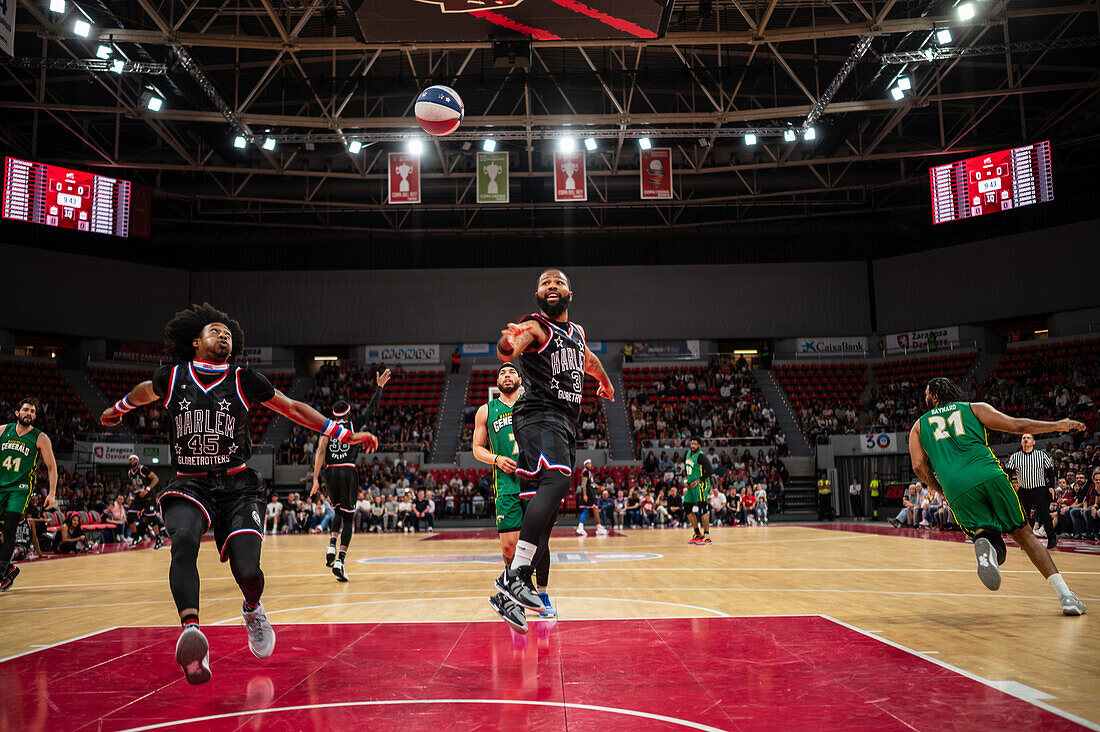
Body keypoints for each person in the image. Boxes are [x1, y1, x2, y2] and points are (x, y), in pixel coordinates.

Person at [99, 303, 378, 684]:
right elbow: (144, 392)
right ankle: (192, 632)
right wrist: (119, 408)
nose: (224, 336)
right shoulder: (173, 376)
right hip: (189, 482)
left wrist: (344, 433)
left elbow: (293, 408)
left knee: (248, 572)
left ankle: (252, 608)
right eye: (215, 331)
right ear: (196, 342)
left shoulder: (245, 379)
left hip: (237, 485)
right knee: (183, 540)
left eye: (228, 333)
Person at [489, 269, 614, 623]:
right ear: (537, 295)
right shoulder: (536, 325)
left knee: (544, 522)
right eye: (545, 284)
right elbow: (510, 348)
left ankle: (507, 593)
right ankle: (514, 577)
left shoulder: (576, 333)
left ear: (570, 293)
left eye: (558, 282)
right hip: (540, 415)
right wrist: (508, 344)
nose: (552, 287)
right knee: (559, 481)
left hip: (561, 423)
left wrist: (604, 381)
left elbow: (588, 360)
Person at [908, 377, 1086, 616]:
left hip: (956, 488)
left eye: (927, 394)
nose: (925, 398)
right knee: (1025, 535)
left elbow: (918, 467)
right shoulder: (974, 408)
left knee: (985, 536)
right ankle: (1066, 597)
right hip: (987, 473)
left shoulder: (918, 427)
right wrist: (1058, 424)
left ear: (937, 397)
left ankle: (986, 546)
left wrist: (941, 490)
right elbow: (1018, 426)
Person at [475, 365, 555, 632]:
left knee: (538, 542)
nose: (507, 375)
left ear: (520, 379)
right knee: (510, 548)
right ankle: (516, 596)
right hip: (506, 485)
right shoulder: (486, 410)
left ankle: (541, 593)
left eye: (511, 372)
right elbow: (476, 449)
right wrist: (496, 459)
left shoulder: (532, 403)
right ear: (497, 381)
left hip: (534, 480)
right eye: (502, 373)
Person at [312, 370, 389, 582]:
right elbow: (371, 409)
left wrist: (315, 479)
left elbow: (319, 451)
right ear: (348, 413)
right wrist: (379, 387)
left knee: (337, 510)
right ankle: (340, 560)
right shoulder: (352, 426)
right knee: (348, 518)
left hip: (330, 471)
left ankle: (331, 546)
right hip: (347, 470)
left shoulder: (327, 428)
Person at [0, 397, 58, 592]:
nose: (29, 414)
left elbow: (51, 466)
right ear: (17, 413)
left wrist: (52, 493)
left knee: (9, 528)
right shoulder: (2, 430)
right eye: (26, 410)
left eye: (33, 411)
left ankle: (0, 575)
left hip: (21, 489)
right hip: (1, 486)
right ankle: (9, 568)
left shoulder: (40, 437)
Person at [1005, 434, 1057, 549]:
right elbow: (1008, 471)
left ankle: (1052, 538)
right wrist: (1008, 486)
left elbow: (1050, 471)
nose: (1026, 439)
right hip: (1024, 490)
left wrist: (1051, 486)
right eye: (1023, 438)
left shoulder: (1041, 455)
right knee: (1024, 517)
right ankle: (1025, 541)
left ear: (1034, 442)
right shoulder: (1015, 456)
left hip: (1039, 489)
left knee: (1044, 514)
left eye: (1028, 438)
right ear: (1021, 442)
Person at [126, 454, 162, 549]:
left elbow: (156, 479)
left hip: (148, 496)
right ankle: (137, 537)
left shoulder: (143, 469)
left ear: (137, 461)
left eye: (134, 459)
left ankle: (159, 539)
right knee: (129, 517)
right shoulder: (130, 473)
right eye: (130, 459)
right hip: (138, 496)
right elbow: (135, 486)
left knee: (151, 518)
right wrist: (133, 496)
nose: (132, 461)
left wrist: (146, 490)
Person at [683, 438, 713, 544]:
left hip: (701, 485)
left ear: (699, 445)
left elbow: (710, 471)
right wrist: (686, 480)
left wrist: (698, 480)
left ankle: (707, 537)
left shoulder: (701, 456)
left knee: (702, 508)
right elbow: (687, 469)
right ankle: (697, 533)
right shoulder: (687, 454)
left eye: (695, 444)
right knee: (687, 507)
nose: (693, 445)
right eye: (692, 443)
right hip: (691, 486)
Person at [575, 459, 607, 537]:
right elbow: (584, 484)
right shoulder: (585, 472)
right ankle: (598, 527)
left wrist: (599, 487)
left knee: (587, 509)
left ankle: (581, 526)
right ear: (585, 465)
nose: (590, 465)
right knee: (594, 508)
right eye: (589, 464)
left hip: (590, 493)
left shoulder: (588, 472)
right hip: (589, 494)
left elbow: (592, 483)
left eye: (590, 464)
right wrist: (585, 495)